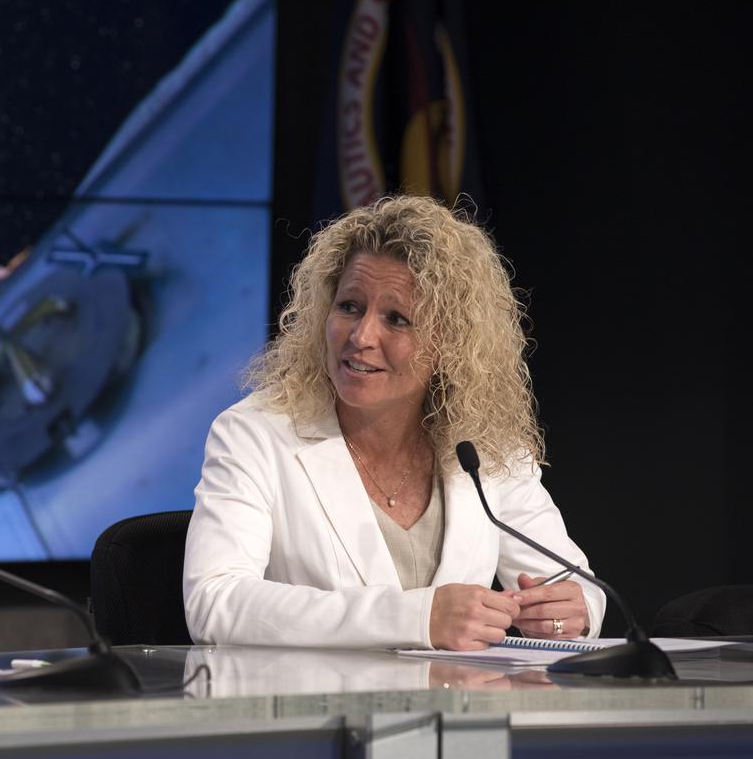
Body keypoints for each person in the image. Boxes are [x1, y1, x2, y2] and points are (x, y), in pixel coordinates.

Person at [182, 195, 605, 651]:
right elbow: (215, 601)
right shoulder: (255, 433)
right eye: (348, 307)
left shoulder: (485, 443)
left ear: (449, 343)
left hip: (457, 716)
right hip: (319, 714)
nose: (361, 336)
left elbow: (577, 589)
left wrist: (568, 614)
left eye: (396, 319)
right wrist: (417, 616)